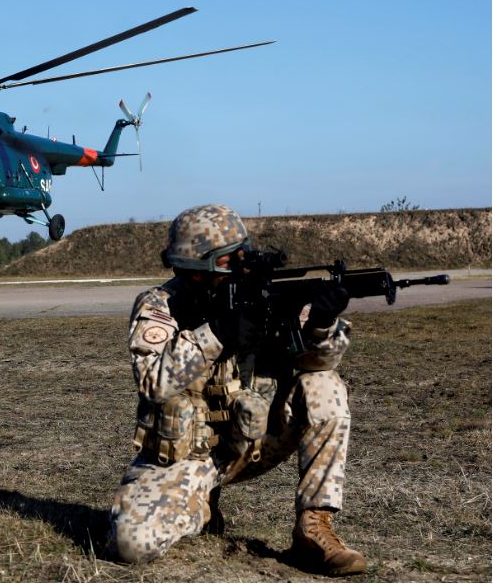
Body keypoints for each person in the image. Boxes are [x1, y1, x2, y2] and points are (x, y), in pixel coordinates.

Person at [109, 204, 365, 576]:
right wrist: (217, 335)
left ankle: (313, 530)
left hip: (256, 440)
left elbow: (321, 363)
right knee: (130, 544)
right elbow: (153, 382)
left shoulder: (267, 297)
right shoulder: (159, 305)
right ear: (199, 269)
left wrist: (321, 326)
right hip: (187, 454)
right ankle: (200, 503)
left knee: (325, 388)